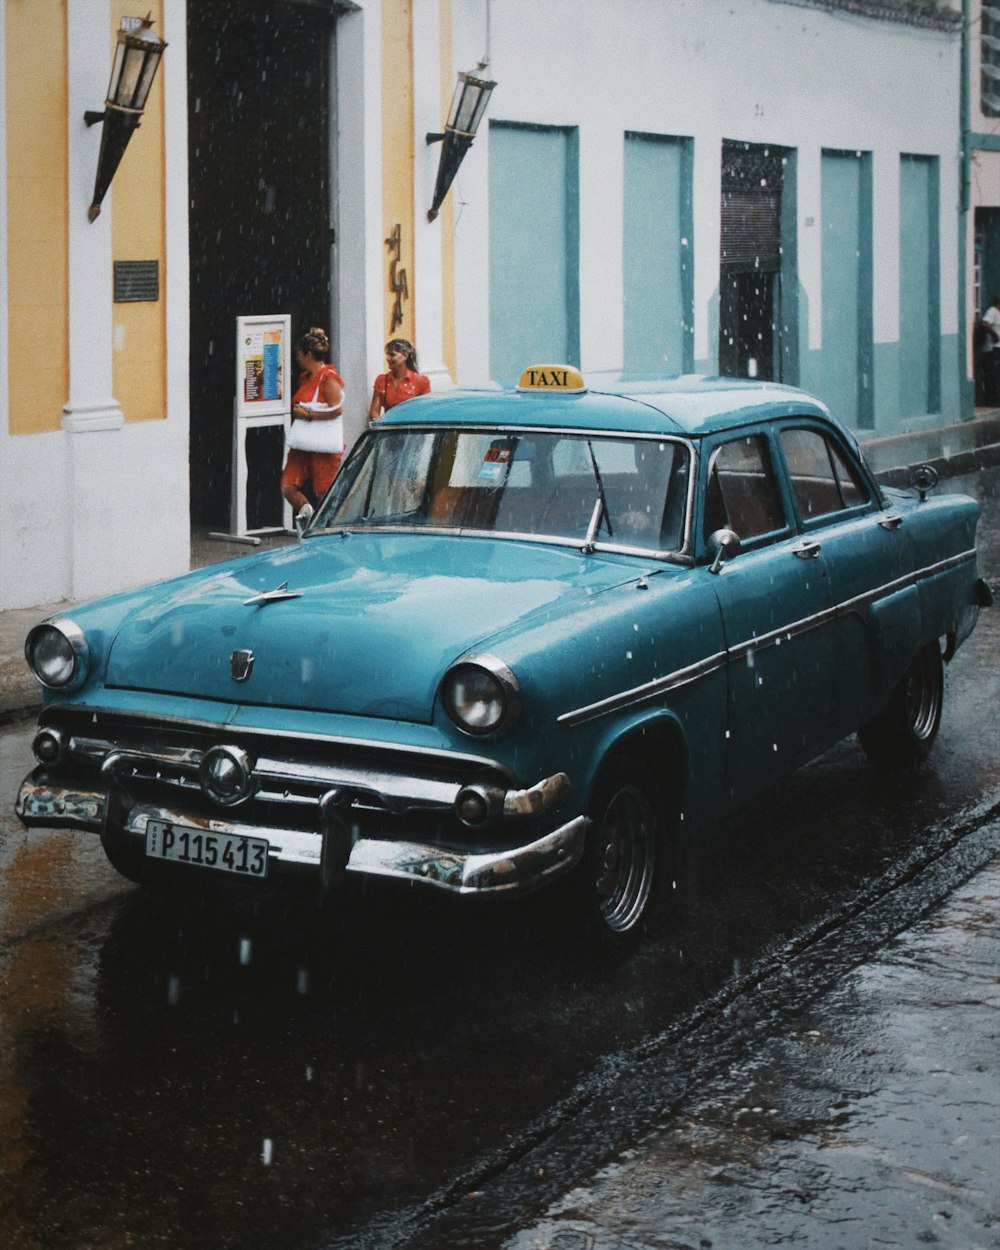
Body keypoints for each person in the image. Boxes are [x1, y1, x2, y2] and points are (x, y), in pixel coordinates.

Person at [281, 327, 345, 528]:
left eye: (299, 355)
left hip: (322, 444)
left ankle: (329, 526)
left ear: (309, 354)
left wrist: (308, 415)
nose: (297, 359)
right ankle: (309, 516)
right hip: (302, 443)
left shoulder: (329, 378)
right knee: (288, 486)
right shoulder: (304, 377)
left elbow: (337, 410)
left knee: (323, 491)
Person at [368, 339, 430, 421]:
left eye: (392, 355)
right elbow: (374, 411)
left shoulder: (421, 381)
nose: (388, 358)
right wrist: (379, 423)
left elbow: (426, 410)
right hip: (390, 429)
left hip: (411, 428)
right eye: (387, 355)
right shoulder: (382, 380)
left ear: (405, 356)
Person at [977, 294, 1000, 407]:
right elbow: (984, 324)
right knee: (993, 375)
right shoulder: (992, 311)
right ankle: (992, 400)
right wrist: (994, 334)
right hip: (993, 348)